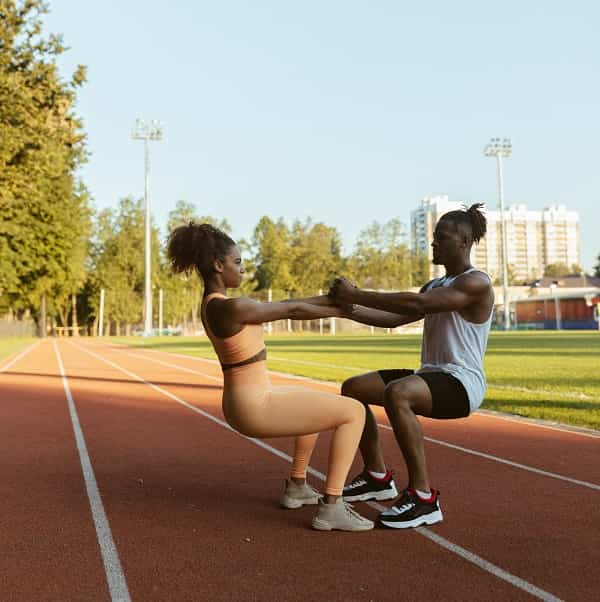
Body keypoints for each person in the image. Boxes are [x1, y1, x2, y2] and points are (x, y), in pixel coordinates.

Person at [167, 222, 373, 531]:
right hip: (253, 407)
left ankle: (298, 486)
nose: (243, 269)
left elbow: (290, 305)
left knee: (314, 402)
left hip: (246, 400)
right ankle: (332, 506)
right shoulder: (231, 307)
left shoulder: (220, 305)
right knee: (354, 412)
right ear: (218, 265)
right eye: (238, 262)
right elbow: (293, 310)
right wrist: (342, 311)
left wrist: (331, 298)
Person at [328, 203, 494, 529]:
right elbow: (397, 317)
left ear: (463, 242)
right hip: (431, 375)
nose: (433, 243)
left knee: (398, 393)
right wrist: (348, 309)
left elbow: (417, 304)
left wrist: (358, 294)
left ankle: (423, 497)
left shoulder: (476, 283)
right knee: (353, 389)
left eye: (440, 237)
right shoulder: (434, 285)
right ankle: (377, 476)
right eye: (433, 237)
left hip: (462, 383)